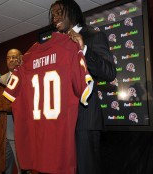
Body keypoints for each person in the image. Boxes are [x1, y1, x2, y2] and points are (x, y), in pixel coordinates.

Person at [3, 31, 94, 173]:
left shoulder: (26, 60)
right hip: (60, 143)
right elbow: (85, 89)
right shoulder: (68, 48)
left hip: (35, 145)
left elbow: (7, 101)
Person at [49, 1, 116, 174]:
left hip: (84, 119)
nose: (55, 17)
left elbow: (109, 72)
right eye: (53, 14)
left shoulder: (93, 36)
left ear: (72, 11)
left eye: (59, 12)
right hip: (61, 120)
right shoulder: (56, 44)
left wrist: (84, 48)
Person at [0, 48, 23, 174]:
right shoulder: (0, 79)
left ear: (20, 58)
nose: (10, 60)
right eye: (8, 57)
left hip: (18, 130)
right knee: (4, 167)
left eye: (14, 57)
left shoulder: (26, 76)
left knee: (21, 167)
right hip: (2, 131)